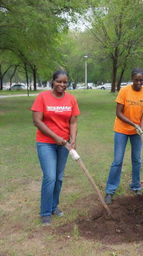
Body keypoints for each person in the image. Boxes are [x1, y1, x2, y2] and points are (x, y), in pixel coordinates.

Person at [31, 70, 80, 225]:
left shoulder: (71, 99)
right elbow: (37, 121)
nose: (62, 85)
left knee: (59, 178)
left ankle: (54, 206)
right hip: (46, 143)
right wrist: (55, 137)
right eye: (59, 81)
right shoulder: (42, 97)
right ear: (52, 81)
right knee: (50, 177)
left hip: (64, 145)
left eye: (65, 82)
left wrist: (73, 139)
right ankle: (45, 212)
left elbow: (73, 122)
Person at [105, 68, 143, 204]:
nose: (139, 82)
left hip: (136, 131)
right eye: (136, 80)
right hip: (121, 129)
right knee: (117, 160)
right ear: (132, 78)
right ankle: (110, 190)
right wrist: (133, 124)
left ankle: (136, 186)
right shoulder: (124, 91)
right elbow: (118, 113)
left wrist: (141, 128)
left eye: (141, 80)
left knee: (137, 159)